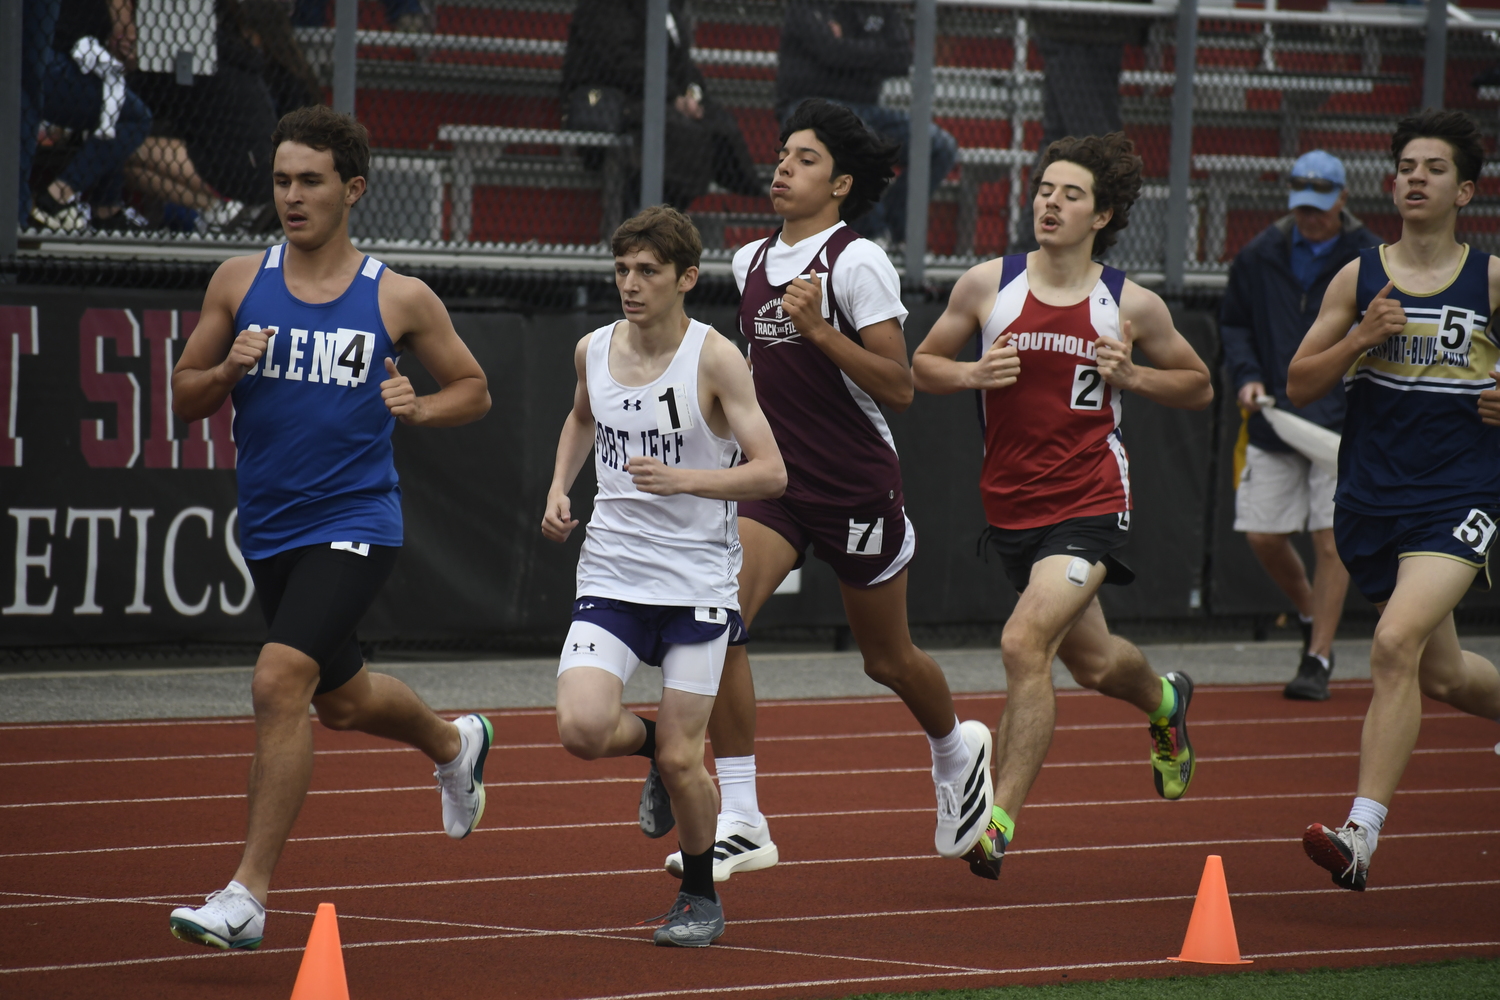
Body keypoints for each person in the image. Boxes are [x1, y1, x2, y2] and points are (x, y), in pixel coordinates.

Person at [164, 106, 493, 949]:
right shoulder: (239, 281)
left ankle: (246, 896)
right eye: (281, 180)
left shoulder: (398, 296)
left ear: (352, 190)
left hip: (356, 522)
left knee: (280, 684)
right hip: (270, 527)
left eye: (310, 181)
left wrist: (418, 406)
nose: (292, 196)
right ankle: (455, 743)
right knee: (343, 702)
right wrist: (229, 366)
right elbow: (184, 393)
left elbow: (475, 390)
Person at [645, 98, 996, 884]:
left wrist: (820, 331)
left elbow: (900, 387)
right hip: (775, 482)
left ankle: (954, 750)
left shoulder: (855, 261)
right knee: (718, 623)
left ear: (839, 184)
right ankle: (742, 816)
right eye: (781, 155)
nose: (782, 168)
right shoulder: (748, 263)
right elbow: (753, 378)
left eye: (803, 159)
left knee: (888, 659)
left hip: (854, 484)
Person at [911, 132, 1214, 880]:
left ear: (1102, 215)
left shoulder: (1129, 303)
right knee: (1095, 663)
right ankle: (1166, 703)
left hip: (1090, 502)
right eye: (1045, 189)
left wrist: (1136, 379)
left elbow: (1199, 383)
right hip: (1011, 509)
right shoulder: (988, 285)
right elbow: (921, 364)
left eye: (1070, 195)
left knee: (1022, 645)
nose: (1051, 203)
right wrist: (973, 373)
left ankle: (997, 819)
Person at [541, 206, 786, 946]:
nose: (631, 284)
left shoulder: (714, 359)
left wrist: (686, 481)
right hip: (613, 570)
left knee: (690, 758)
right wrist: (560, 487)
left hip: (696, 583)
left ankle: (701, 895)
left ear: (686, 278)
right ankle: (648, 748)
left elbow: (772, 474)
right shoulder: (592, 348)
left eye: (648, 271)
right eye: (621, 269)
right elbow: (582, 417)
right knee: (581, 728)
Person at [1287, 109, 1500, 892]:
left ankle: (1360, 834)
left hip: (1461, 492)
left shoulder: (1491, 279)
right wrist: (1359, 338)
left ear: (1465, 190)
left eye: (1434, 168)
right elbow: (1301, 382)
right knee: (1440, 673)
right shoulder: (1359, 276)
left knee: (1391, 644)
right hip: (1373, 496)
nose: (1415, 177)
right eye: (1406, 165)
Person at [1220, 150, 1377, 701]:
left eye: (1319, 206)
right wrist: (1246, 376)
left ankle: (1319, 657)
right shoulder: (1259, 253)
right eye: (1301, 206)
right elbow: (1235, 325)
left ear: (1342, 198)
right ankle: (1311, 614)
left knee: (1330, 541)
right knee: (1263, 533)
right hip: (1274, 418)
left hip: (1341, 422)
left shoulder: (1372, 258)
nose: (1310, 217)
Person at [775, 2, 957, 245]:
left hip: (868, 109)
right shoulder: (807, 6)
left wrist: (843, 49)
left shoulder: (881, 7)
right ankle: (870, 236)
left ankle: (890, 234)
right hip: (812, 108)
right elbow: (829, 50)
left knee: (940, 146)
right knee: (859, 137)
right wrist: (873, 52)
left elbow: (901, 58)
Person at [561, 0, 762, 212]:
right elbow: (619, 62)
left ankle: (674, 211)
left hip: (662, 97)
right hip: (618, 97)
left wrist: (691, 96)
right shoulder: (605, 7)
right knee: (679, 132)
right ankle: (646, 214)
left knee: (718, 123)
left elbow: (682, 63)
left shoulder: (667, 7)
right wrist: (672, 96)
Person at [29, 0, 153, 232]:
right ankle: (57, 197)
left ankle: (107, 207)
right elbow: (123, 32)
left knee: (114, 108)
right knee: (135, 118)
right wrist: (124, 30)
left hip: (53, 56)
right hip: (54, 59)